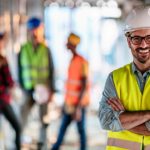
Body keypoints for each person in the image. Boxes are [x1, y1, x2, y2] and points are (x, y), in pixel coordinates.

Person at [99, 5, 150, 150]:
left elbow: (114, 121)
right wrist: (147, 114)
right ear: (128, 41)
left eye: (149, 37)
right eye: (136, 38)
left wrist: (123, 118)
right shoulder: (115, 78)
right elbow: (106, 121)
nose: (143, 44)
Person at [18, 17, 55, 148]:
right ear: (28, 31)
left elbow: (51, 71)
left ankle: (42, 144)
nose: (34, 33)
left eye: (37, 30)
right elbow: (19, 70)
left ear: (41, 31)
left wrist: (52, 91)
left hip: (43, 91)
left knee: (44, 120)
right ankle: (18, 143)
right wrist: (22, 88)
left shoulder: (46, 50)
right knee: (21, 118)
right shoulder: (23, 49)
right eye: (32, 30)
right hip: (27, 90)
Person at [51, 33, 90, 150]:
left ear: (72, 45)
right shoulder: (72, 60)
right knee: (63, 129)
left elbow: (84, 85)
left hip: (79, 104)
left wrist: (78, 107)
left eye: (68, 42)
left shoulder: (82, 61)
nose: (66, 44)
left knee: (81, 131)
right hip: (70, 103)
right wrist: (65, 103)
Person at [0, 32, 21, 150]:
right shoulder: (2, 60)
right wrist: (12, 86)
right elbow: (9, 81)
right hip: (2, 100)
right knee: (17, 127)